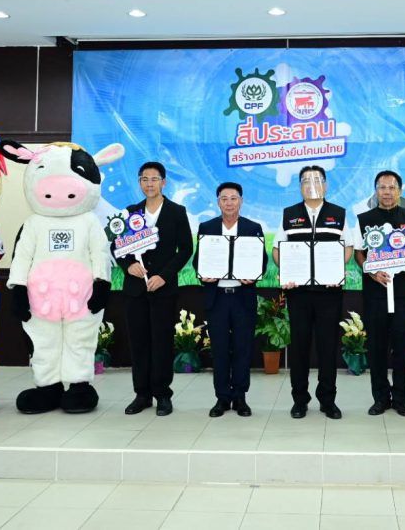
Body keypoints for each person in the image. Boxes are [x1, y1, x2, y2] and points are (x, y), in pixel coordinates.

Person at [273, 166, 354, 419]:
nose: (311, 184)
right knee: (299, 348)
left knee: (328, 348)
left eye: (317, 180)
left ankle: (328, 400)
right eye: (306, 181)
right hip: (298, 293)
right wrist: (286, 270)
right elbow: (277, 249)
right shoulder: (289, 214)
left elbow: (348, 247)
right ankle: (300, 400)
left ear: (326, 185)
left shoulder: (338, 214)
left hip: (329, 293)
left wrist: (337, 269)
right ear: (300, 186)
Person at [117, 161, 193, 416]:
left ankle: (162, 395)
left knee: (162, 343)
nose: (149, 184)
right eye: (144, 179)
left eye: (154, 179)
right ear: (139, 182)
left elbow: (185, 249)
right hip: (135, 290)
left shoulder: (176, 212)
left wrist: (164, 276)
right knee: (138, 343)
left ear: (163, 182)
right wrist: (128, 265)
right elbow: (117, 246)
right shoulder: (130, 212)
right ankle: (142, 394)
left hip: (163, 289)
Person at [354, 170, 405, 417]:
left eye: (392, 187)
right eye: (382, 187)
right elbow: (358, 252)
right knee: (376, 348)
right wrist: (371, 271)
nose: (387, 192)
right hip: (375, 294)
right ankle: (380, 399)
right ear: (376, 191)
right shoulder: (364, 220)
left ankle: (401, 400)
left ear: (400, 191)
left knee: (402, 348)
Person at [194, 182, 267, 417]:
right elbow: (198, 260)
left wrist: (254, 275)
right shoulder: (207, 227)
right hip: (217, 298)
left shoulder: (253, 228)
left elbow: (262, 261)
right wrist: (202, 274)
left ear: (241, 201)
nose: (229, 203)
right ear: (218, 202)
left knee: (243, 348)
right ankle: (222, 398)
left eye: (233, 198)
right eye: (224, 198)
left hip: (242, 298)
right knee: (220, 349)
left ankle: (240, 397)